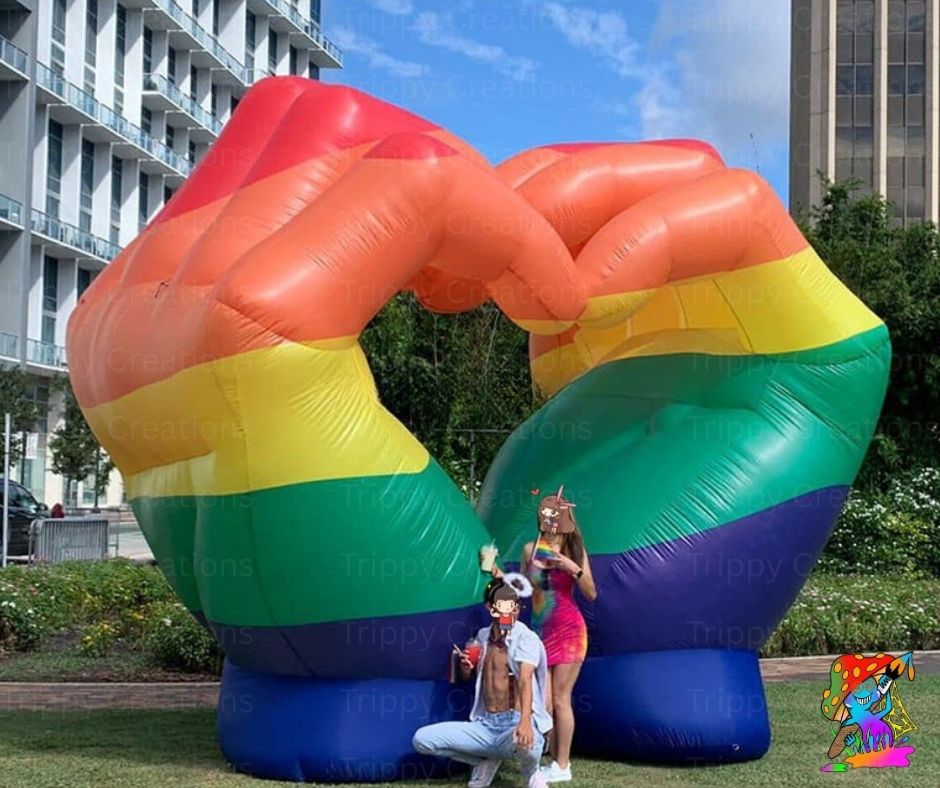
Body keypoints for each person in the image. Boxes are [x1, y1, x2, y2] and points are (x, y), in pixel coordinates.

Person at [413, 575, 552, 788]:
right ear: (490, 607)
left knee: (529, 746)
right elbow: (473, 678)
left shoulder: (526, 638)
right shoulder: (482, 637)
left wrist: (525, 721)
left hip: (513, 722)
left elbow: (524, 679)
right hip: (485, 725)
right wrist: (466, 668)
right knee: (422, 740)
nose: (511, 611)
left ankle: (531, 772)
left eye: (514, 605)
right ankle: (484, 761)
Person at [514, 485, 597, 784]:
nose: (548, 523)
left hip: (570, 631)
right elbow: (524, 590)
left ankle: (562, 765)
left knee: (561, 699)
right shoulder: (530, 549)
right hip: (540, 633)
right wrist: (500, 579)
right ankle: (539, 757)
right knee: (542, 703)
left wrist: (570, 566)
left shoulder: (575, 551)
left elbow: (591, 593)